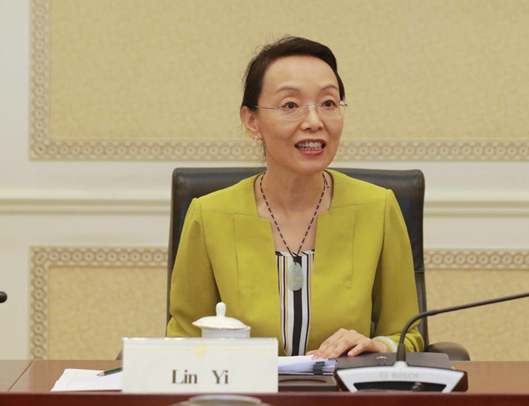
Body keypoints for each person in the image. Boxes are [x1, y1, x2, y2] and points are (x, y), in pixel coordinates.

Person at [167, 36, 424, 358]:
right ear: (252, 121)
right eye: (290, 105)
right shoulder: (209, 216)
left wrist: (377, 345)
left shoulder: (378, 208)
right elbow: (183, 341)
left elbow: (406, 335)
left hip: (340, 386)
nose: (314, 122)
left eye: (328, 103)